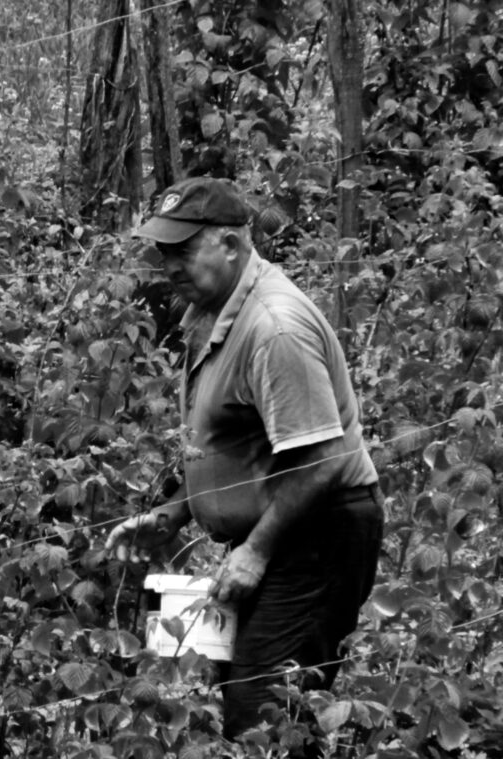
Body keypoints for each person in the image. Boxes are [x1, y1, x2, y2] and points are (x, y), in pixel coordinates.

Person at [105, 177, 384, 740]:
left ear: (231, 245)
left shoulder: (274, 327)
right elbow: (234, 442)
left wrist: (255, 551)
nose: (171, 266)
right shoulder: (213, 312)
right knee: (247, 696)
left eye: (184, 251)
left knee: (266, 712)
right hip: (284, 528)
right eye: (164, 253)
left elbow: (321, 461)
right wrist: (176, 512)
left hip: (317, 535)